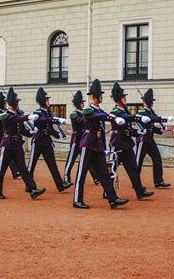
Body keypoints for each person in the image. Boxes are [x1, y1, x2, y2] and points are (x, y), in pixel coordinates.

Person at [73, 79, 129, 209]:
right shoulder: (88, 110)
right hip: (87, 144)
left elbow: (103, 118)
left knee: (104, 173)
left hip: (97, 145)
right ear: (93, 96)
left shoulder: (99, 111)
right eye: (100, 94)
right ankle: (77, 200)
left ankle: (113, 199)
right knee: (81, 173)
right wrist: (114, 118)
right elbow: (100, 116)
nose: (102, 96)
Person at [0, 87, 46, 200]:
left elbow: (22, 130)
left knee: (23, 168)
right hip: (7, 144)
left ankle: (33, 189)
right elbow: (15, 119)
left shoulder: (18, 114)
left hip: (17, 145)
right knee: (1, 168)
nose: (17, 104)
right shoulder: (6, 115)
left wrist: (31, 133)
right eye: (16, 102)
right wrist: (27, 117)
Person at [108, 82, 154, 200]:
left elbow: (128, 128)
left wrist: (137, 132)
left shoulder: (125, 110)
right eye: (123, 97)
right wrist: (137, 117)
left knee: (133, 168)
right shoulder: (115, 112)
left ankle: (139, 191)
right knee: (112, 169)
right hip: (117, 143)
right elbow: (124, 120)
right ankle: (107, 191)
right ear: (119, 99)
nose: (125, 99)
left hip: (127, 144)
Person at [28, 87, 72, 192]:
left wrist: (58, 135)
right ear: (42, 101)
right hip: (38, 141)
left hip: (47, 141)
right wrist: (56, 119)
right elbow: (44, 120)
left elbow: (50, 128)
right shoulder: (38, 112)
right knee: (32, 165)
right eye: (47, 100)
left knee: (52, 164)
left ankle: (60, 185)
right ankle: (28, 185)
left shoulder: (48, 112)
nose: (49, 101)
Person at [135, 88, 173, 188]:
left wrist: (161, 130)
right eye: (150, 102)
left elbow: (151, 127)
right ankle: (136, 182)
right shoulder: (142, 111)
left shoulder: (150, 112)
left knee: (157, 159)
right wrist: (163, 119)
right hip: (142, 140)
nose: (151, 104)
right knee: (138, 162)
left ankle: (158, 181)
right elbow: (150, 120)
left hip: (150, 140)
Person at [63, 91, 99, 185]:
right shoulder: (74, 114)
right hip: (76, 139)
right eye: (82, 102)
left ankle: (96, 178)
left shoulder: (84, 113)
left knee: (88, 160)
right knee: (71, 160)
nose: (83, 104)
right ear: (78, 104)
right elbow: (81, 121)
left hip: (83, 139)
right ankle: (66, 178)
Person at [0, 92, 20, 179]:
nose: (6, 104)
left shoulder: (7, 113)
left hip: (4, 137)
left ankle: (15, 171)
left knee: (7, 154)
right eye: (5, 102)